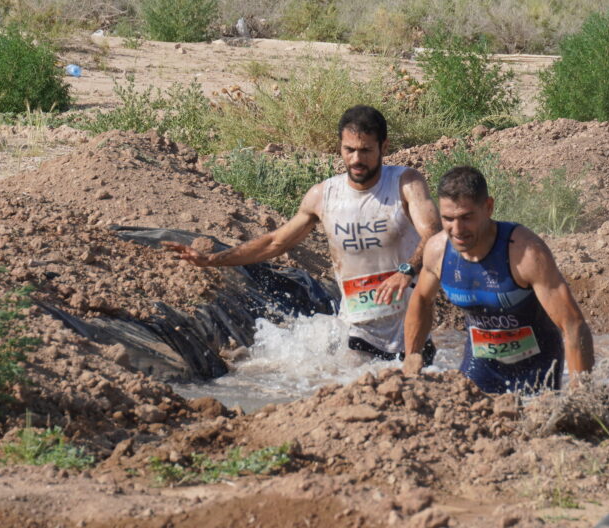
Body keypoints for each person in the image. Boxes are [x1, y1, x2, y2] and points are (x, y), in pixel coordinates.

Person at [163, 105, 442, 362]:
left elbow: (432, 231)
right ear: (340, 148)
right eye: (349, 150)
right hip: (357, 329)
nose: (356, 159)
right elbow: (275, 242)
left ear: (384, 147)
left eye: (366, 150)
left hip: (410, 328)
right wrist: (214, 260)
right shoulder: (323, 196)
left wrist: (406, 271)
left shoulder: (405, 183)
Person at [404, 165, 594, 392]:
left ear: (488, 208)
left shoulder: (525, 253)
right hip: (481, 363)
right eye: (448, 219)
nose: (457, 229)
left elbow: (573, 326)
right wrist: (411, 364)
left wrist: (582, 394)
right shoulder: (437, 251)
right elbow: (421, 301)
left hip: (537, 364)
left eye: (466, 217)